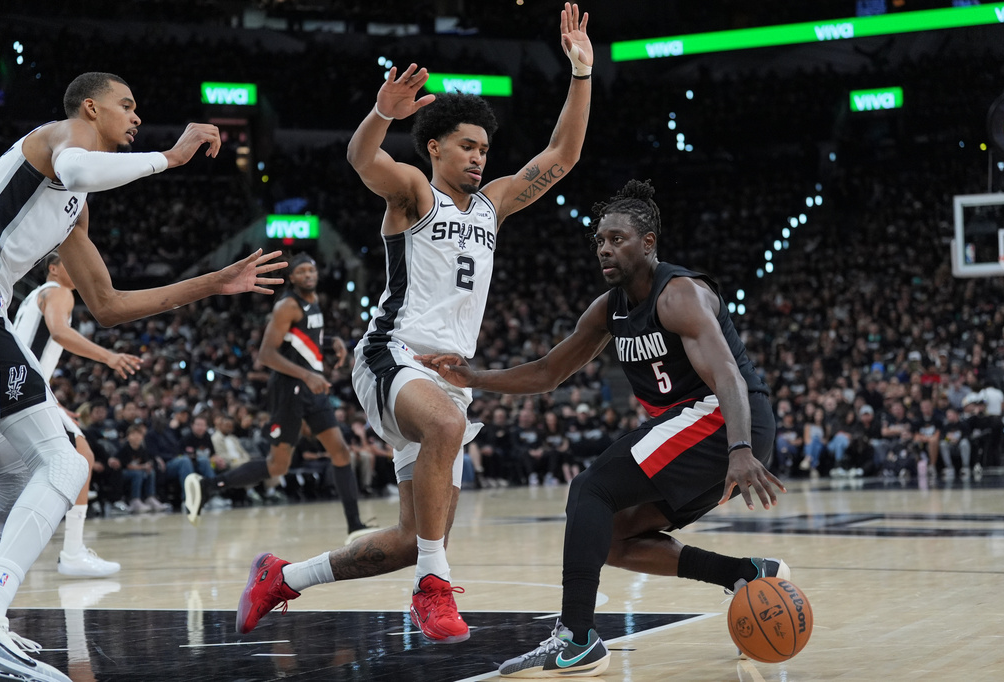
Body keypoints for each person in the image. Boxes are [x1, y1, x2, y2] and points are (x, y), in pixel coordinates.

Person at [234, 3, 593, 644]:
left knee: (415, 536)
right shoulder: (414, 193)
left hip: (447, 377)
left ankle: (282, 577)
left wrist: (582, 74)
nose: (479, 157)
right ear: (434, 147)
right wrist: (381, 114)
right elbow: (360, 159)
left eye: (484, 148)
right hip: (391, 355)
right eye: (467, 146)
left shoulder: (494, 203)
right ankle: (433, 589)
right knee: (446, 433)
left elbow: (562, 154)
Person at [418, 179, 788, 677]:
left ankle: (576, 638)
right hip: (704, 430)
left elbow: (727, 375)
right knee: (609, 538)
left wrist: (739, 449)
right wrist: (475, 377)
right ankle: (746, 573)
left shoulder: (679, 294)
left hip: (724, 419)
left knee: (590, 489)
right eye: (599, 240)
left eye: (617, 239)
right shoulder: (608, 309)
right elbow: (549, 372)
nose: (604, 249)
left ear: (648, 243)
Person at [0, 71, 284, 681]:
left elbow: (108, 305)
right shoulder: (56, 139)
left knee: (20, 475)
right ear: (90, 109)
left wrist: (214, 283)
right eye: (126, 105)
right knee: (65, 463)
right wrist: (171, 157)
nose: (136, 117)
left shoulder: (74, 208)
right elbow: (78, 167)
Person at [184, 253, 372, 538]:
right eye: (302, 271)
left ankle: (355, 526)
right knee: (277, 465)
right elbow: (266, 354)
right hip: (289, 391)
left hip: (312, 389)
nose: (308, 275)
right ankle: (208, 486)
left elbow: (303, 339)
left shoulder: (314, 302)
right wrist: (307, 375)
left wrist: (331, 341)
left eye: (312, 270)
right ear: (292, 277)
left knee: (341, 452)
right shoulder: (287, 306)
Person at [11, 251, 138, 577]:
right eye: (71, 263)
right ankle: (72, 553)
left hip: (17, 389)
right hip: (27, 393)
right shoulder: (59, 292)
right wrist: (109, 357)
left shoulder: (32, 298)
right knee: (82, 456)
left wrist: (53, 401)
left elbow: (29, 353)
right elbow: (59, 332)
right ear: (53, 269)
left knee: (3, 473)